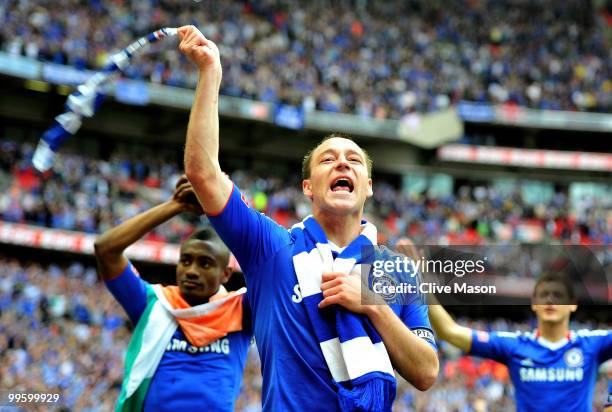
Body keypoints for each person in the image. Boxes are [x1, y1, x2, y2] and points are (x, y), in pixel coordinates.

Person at [178, 24, 439, 411]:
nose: (341, 163)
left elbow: (426, 372)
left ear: (367, 187)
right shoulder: (270, 247)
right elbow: (203, 174)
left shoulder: (397, 270)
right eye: (328, 159)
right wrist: (210, 73)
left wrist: (372, 305)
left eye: (353, 160)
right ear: (308, 187)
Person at [94, 175, 252, 412]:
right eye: (185, 261)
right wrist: (175, 206)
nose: (191, 271)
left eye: (205, 263)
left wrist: (231, 207)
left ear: (226, 274)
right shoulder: (154, 304)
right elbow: (105, 249)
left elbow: (275, 269)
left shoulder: (243, 309)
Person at [425, 257, 611, 412]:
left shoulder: (591, 343)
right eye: (544, 294)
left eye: (558, 295)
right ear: (534, 304)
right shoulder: (515, 345)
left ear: (572, 304)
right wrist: (421, 281)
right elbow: (448, 330)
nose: (550, 300)